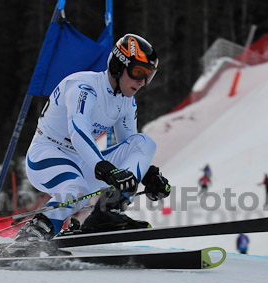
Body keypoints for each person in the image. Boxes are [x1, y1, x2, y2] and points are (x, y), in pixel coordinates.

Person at [12, 34, 170, 247]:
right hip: (47, 153)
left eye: (148, 76)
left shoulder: (126, 102)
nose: (141, 82)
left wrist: (147, 176)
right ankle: (35, 232)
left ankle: (107, 211)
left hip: (83, 160)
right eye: (138, 72)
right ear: (118, 65)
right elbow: (79, 131)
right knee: (77, 189)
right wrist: (104, 168)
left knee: (144, 142)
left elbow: (131, 147)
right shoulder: (83, 86)